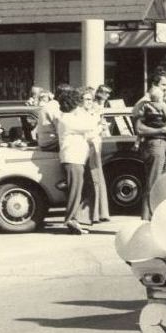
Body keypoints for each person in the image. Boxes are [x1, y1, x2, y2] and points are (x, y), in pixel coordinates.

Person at [133, 72, 166, 220]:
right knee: (153, 181)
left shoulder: (162, 102)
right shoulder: (145, 103)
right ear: (154, 85)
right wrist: (163, 131)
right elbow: (139, 129)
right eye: (163, 85)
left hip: (163, 144)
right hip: (155, 144)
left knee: (160, 182)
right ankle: (147, 217)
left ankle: (157, 215)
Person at [57, 89, 98, 235]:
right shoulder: (68, 119)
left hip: (74, 158)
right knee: (75, 191)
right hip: (73, 158)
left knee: (77, 190)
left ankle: (74, 220)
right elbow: (90, 125)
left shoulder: (67, 118)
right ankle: (70, 219)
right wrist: (93, 113)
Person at [83, 86, 111, 223]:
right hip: (88, 148)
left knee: (97, 178)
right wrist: (100, 127)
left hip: (95, 146)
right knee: (92, 179)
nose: (90, 102)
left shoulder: (94, 112)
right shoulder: (82, 114)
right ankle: (93, 213)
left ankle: (100, 212)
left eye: (90, 99)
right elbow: (88, 132)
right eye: (86, 99)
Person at [36, 84, 71, 151]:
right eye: (69, 95)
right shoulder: (54, 106)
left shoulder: (51, 105)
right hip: (51, 144)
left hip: (47, 142)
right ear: (63, 95)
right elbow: (61, 128)